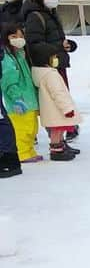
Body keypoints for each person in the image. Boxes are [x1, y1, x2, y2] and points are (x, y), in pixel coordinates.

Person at [24, 0, 79, 144]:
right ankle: (57, 144)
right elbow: (34, 44)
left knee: (62, 102)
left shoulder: (51, 14)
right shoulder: (35, 16)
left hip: (57, 65)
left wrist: (69, 45)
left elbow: (54, 39)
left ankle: (60, 141)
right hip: (47, 68)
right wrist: (57, 47)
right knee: (56, 105)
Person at [28, 43, 80, 161]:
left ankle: (59, 148)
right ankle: (56, 151)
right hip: (57, 110)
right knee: (57, 131)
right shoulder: (50, 75)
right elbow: (59, 93)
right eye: (54, 57)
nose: (56, 59)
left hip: (51, 109)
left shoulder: (40, 73)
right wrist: (67, 109)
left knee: (57, 130)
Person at [1, 23, 42, 163]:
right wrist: (16, 98)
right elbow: (8, 81)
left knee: (32, 128)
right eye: (14, 36)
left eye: (20, 35)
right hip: (18, 101)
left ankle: (30, 150)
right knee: (22, 129)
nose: (19, 38)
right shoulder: (7, 58)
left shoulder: (20, 54)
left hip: (29, 99)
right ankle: (22, 153)